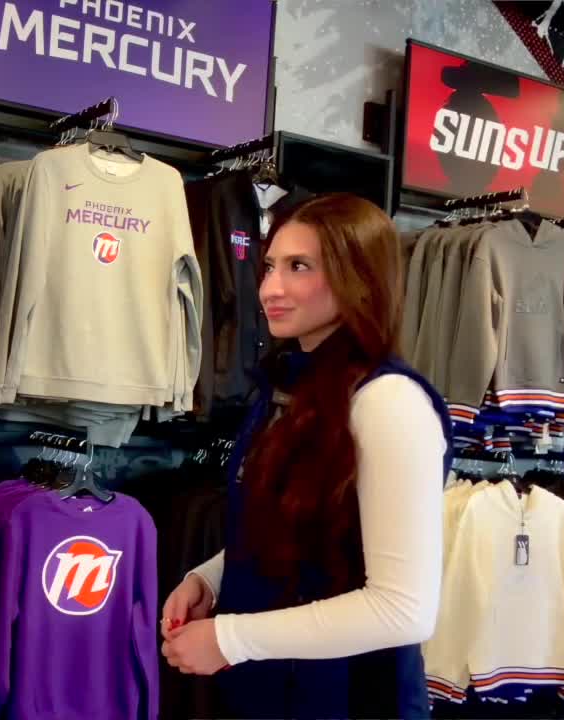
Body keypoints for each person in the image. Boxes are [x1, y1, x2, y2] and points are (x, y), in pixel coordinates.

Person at [160, 194, 451, 718]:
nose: (271, 288)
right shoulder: (288, 388)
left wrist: (231, 637)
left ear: (358, 278)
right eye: (270, 265)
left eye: (299, 267)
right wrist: (211, 578)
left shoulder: (389, 403)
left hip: (351, 700)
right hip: (271, 693)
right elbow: (294, 531)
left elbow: (403, 608)